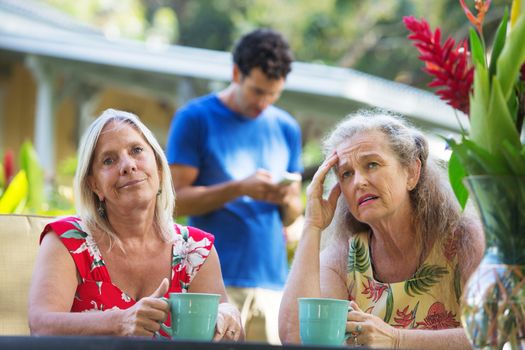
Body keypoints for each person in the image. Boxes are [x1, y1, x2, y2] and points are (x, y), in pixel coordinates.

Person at [28, 109, 243, 340]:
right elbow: (41, 325)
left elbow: (231, 339)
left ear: (159, 168)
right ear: (95, 186)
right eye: (109, 160)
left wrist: (231, 320)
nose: (128, 165)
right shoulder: (68, 240)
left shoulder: (196, 250)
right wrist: (120, 321)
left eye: (136, 150)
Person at [279, 111, 484, 349]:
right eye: (346, 173)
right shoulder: (344, 257)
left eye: (372, 164)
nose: (359, 182)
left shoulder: (465, 239)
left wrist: (397, 340)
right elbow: (294, 338)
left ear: (412, 172)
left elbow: (493, 336)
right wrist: (312, 225)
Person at [165, 28, 303, 344]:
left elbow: (293, 214)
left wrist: (286, 198)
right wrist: (240, 188)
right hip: (213, 284)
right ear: (236, 73)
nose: (264, 103)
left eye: (273, 94)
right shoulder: (195, 118)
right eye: (257, 91)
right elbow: (173, 202)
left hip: (272, 283)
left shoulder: (286, 128)